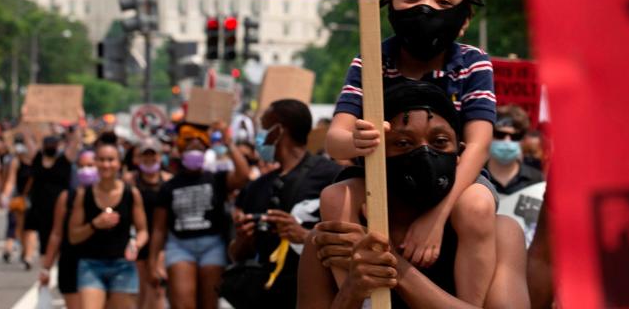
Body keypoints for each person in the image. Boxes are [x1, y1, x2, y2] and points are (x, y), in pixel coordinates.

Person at [325, 0, 498, 305]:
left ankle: (468, 304)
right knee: (335, 198)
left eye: (443, 2)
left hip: (453, 182)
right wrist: (355, 140)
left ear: (464, 18)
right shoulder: (370, 61)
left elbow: (478, 145)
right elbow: (335, 141)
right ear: (389, 5)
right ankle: (359, 296)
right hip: (386, 182)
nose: (426, 9)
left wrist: (436, 217)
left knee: (476, 205)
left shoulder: (474, 63)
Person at [307, 80, 529, 308]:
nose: (424, 154)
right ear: (371, 155)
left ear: (459, 153)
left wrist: (394, 265)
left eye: (440, 142)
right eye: (403, 143)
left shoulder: (501, 234)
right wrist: (352, 290)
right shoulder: (333, 238)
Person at [228, 100, 342, 307]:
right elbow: (236, 254)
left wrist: (305, 236)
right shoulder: (257, 187)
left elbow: (350, 242)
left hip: (316, 296)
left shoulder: (333, 177)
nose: (259, 136)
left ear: (279, 130)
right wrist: (243, 239)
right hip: (265, 295)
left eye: (263, 127)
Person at [147, 122, 249, 309]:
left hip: (212, 246)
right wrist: (153, 262)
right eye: (189, 145)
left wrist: (229, 143)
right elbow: (159, 229)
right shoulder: (169, 186)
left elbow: (243, 175)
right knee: (183, 304)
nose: (194, 148)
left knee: (209, 303)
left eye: (199, 145)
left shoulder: (217, 179)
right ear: (180, 150)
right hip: (179, 246)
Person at [68, 134, 149, 309]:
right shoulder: (84, 195)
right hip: (91, 264)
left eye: (111, 160)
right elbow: (73, 236)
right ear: (95, 162)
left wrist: (135, 244)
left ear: (119, 163)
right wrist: (94, 224)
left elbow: (143, 230)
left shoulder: (131, 193)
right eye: (101, 160)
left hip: (123, 265)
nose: (106, 165)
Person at [39, 150, 97, 309]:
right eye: (82, 166)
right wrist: (46, 268)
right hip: (72, 263)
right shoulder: (67, 198)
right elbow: (56, 234)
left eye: (91, 165)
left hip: (102, 262)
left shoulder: (115, 195)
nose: (86, 170)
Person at [126, 138, 171, 309]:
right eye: (145, 155)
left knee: (157, 287)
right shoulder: (130, 181)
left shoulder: (168, 181)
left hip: (161, 242)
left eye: (153, 155)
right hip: (138, 239)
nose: (149, 159)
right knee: (140, 290)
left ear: (160, 157)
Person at [26, 128, 81, 258]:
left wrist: (77, 123)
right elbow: (27, 137)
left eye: (53, 144)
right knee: (38, 234)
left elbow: (75, 142)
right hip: (39, 206)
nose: (51, 146)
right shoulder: (37, 158)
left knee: (60, 234)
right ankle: (36, 258)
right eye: (48, 144)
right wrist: (27, 121)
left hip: (60, 206)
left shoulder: (64, 160)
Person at [486, 106, 544, 196]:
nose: (507, 141)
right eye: (500, 135)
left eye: (515, 137)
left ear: (523, 140)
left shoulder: (537, 179)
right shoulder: (476, 175)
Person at [2, 131, 36, 266]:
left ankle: (28, 255)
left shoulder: (37, 161)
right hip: (20, 198)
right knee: (20, 227)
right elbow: (11, 180)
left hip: (34, 198)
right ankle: (25, 250)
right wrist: (5, 195)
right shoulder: (15, 161)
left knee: (31, 228)